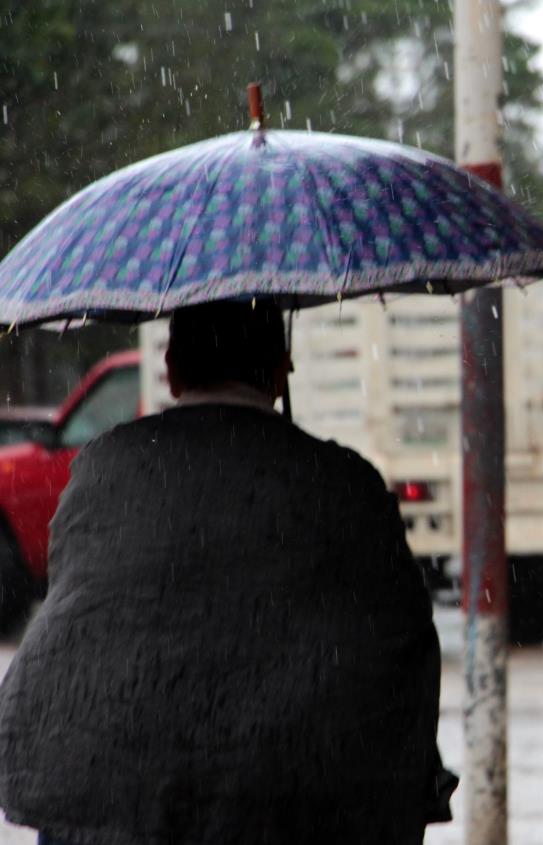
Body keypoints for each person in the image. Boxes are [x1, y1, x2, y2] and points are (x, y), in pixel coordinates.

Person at [0, 300, 454, 845]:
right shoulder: (344, 483)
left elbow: (77, 610)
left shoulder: (104, 466)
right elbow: (402, 639)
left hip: (101, 790)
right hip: (299, 803)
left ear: (171, 368)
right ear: (282, 370)